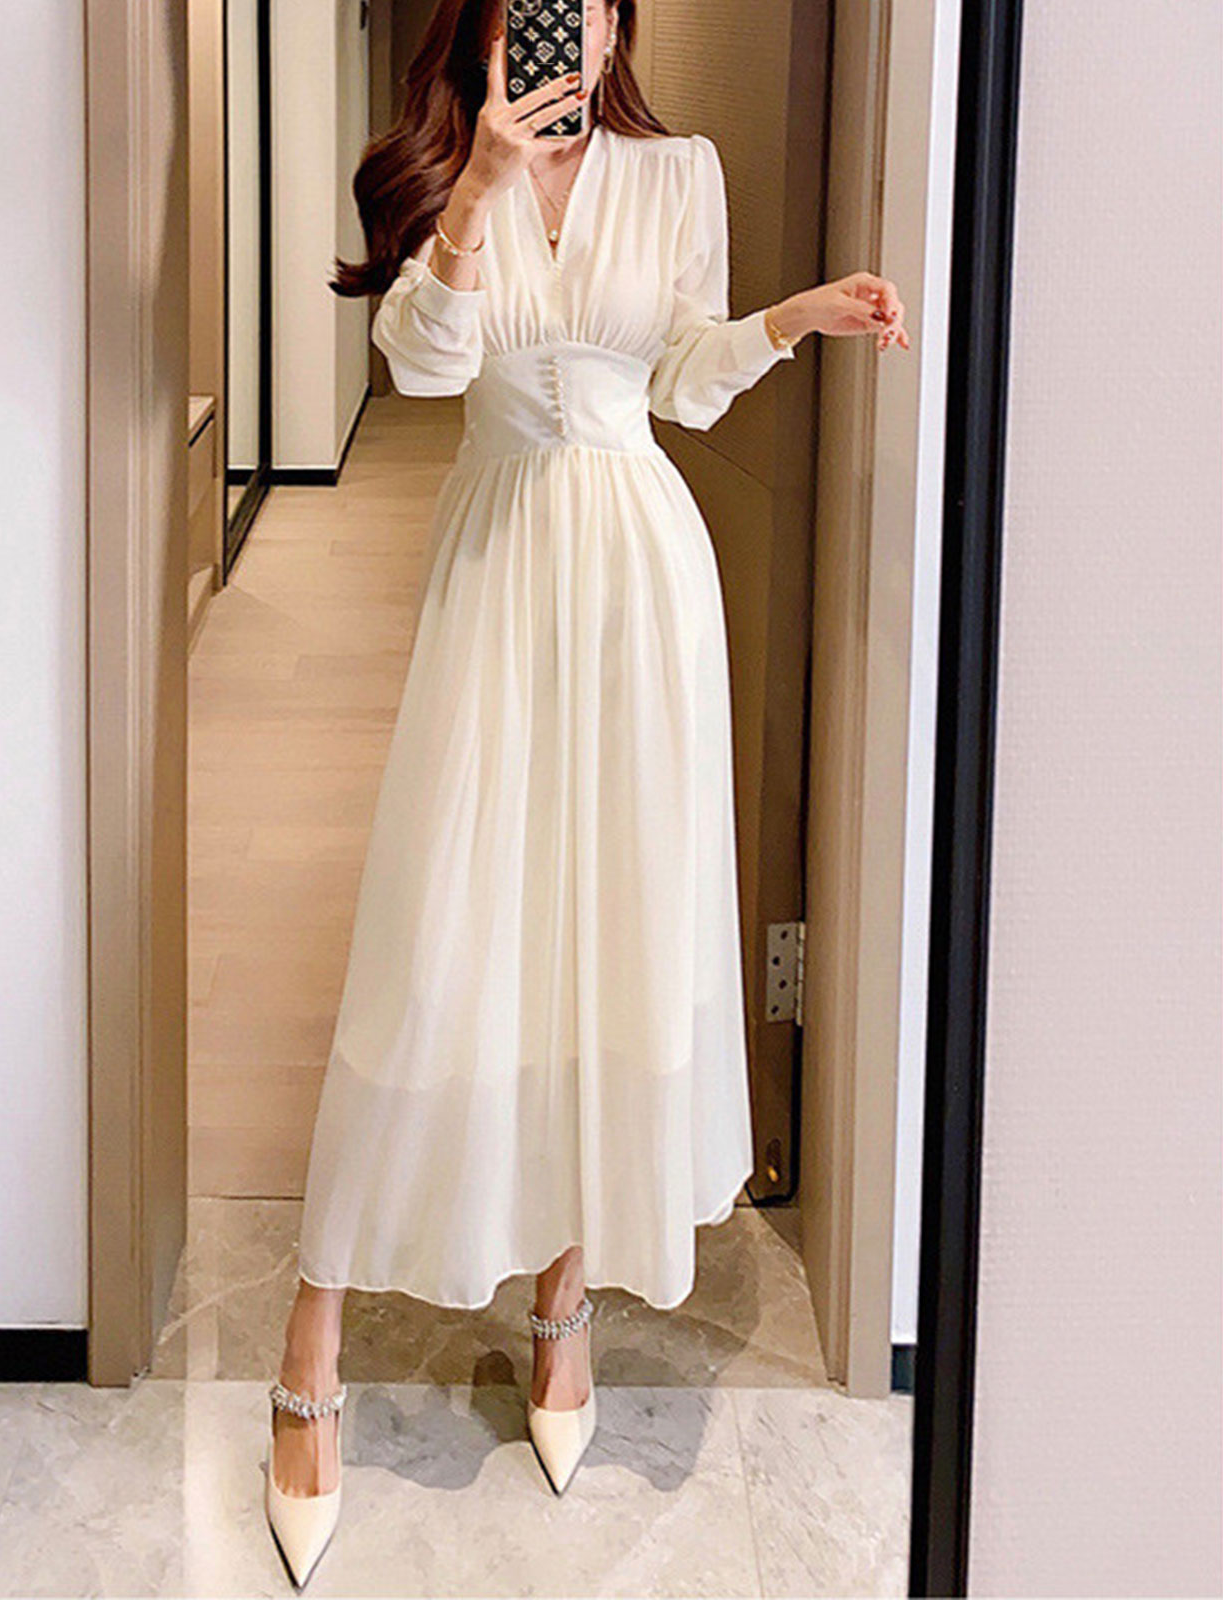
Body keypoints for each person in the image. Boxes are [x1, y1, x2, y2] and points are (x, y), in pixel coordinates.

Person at [261, 0, 910, 1584]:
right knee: (440, 934)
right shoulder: (442, 170)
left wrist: (791, 318)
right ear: (493, 24)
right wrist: (481, 188)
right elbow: (426, 367)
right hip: (496, 565)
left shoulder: (682, 173)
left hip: (639, 576)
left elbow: (681, 383)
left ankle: (565, 1304)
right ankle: (310, 1341)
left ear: (615, 23)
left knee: (613, 928)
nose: (574, 19)